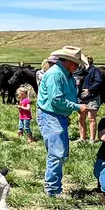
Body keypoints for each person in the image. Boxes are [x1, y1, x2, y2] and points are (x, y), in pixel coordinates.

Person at [37, 46, 89, 198]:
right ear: (67, 62)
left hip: (55, 115)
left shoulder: (64, 74)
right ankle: (53, 190)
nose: (77, 67)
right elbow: (56, 100)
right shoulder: (56, 75)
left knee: (59, 153)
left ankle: (54, 187)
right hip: (51, 115)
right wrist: (76, 107)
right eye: (75, 63)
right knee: (57, 153)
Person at [77, 55, 102, 143]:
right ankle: (82, 138)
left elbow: (98, 81)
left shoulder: (94, 70)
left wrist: (89, 89)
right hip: (81, 97)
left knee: (91, 118)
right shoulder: (80, 71)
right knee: (81, 118)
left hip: (92, 96)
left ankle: (92, 139)